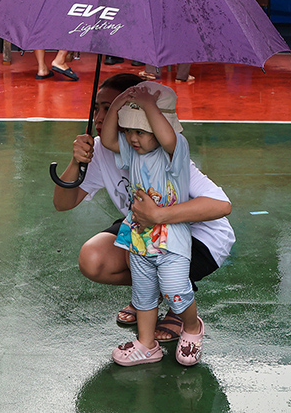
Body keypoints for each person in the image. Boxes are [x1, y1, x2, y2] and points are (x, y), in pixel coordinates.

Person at [53, 73, 234, 344]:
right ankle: (149, 295)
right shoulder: (103, 149)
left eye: (109, 107)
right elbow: (62, 203)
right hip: (144, 226)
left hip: (199, 237)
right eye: (98, 108)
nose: (100, 117)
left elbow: (221, 205)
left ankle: (177, 308)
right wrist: (76, 161)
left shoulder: (165, 153)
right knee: (95, 258)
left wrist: (158, 215)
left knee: (138, 246)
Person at [99, 81, 203, 366]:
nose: (133, 138)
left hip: (171, 237)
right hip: (139, 238)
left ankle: (192, 328)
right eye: (129, 130)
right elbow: (108, 140)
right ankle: (147, 344)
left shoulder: (174, 152)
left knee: (175, 289)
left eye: (141, 132)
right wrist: (119, 102)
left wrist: (148, 105)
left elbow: (167, 137)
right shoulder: (133, 152)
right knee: (143, 293)